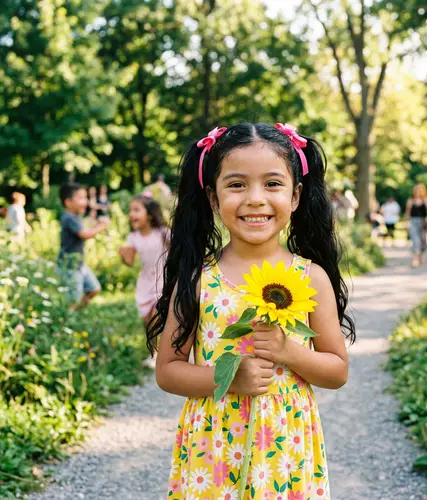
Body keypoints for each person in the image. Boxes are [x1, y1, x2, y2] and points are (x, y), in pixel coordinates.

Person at [148, 122, 354, 498]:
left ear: (295, 196)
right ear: (213, 198)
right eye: (237, 184)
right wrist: (228, 379)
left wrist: (288, 351)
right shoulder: (198, 279)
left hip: (284, 452)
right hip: (214, 448)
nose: (256, 198)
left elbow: (337, 371)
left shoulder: (310, 277)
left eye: (272, 184)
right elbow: (168, 371)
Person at [119, 194, 171, 328]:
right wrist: (123, 256)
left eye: (136, 210)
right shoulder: (133, 237)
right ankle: (153, 348)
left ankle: (161, 345)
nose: (131, 214)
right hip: (145, 281)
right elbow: (129, 262)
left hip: (163, 278)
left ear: (149, 214)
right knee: (147, 320)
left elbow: (180, 250)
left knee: (156, 314)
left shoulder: (163, 233)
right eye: (130, 211)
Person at [58, 183, 110, 309]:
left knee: (94, 289)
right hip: (70, 265)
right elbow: (85, 234)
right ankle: (68, 319)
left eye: (86, 198)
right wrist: (101, 226)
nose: (86, 202)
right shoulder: (69, 218)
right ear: (68, 202)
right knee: (73, 300)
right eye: (81, 198)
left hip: (79, 263)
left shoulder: (75, 217)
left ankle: (76, 312)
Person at [404, 184, 427, 268]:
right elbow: (407, 213)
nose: (417, 192)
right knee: (415, 240)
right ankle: (415, 259)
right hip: (413, 222)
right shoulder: (410, 201)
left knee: (423, 241)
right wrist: (405, 223)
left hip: (423, 222)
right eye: (416, 191)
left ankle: (421, 256)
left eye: (419, 191)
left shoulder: (426, 200)